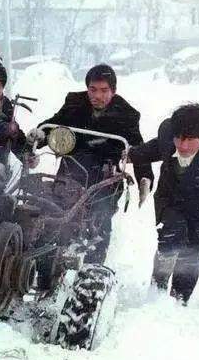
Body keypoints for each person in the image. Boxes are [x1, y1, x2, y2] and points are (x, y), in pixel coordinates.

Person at [28, 64, 154, 264]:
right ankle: (46, 257)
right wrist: (40, 136)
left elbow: (137, 148)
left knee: (100, 217)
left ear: (113, 91)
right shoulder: (75, 103)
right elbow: (55, 123)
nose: (98, 96)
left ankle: (94, 268)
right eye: (93, 90)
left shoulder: (127, 114)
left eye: (104, 91)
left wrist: (144, 178)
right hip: (72, 166)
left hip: (104, 174)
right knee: (53, 209)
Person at [128, 103, 199, 304]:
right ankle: (155, 295)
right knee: (169, 240)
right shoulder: (168, 134)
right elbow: (154, 149)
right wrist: (128, 156)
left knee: (189, 261)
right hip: (171, 203)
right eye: (179, 138)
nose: (183, 145)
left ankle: (178, 304)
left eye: (189, 140)